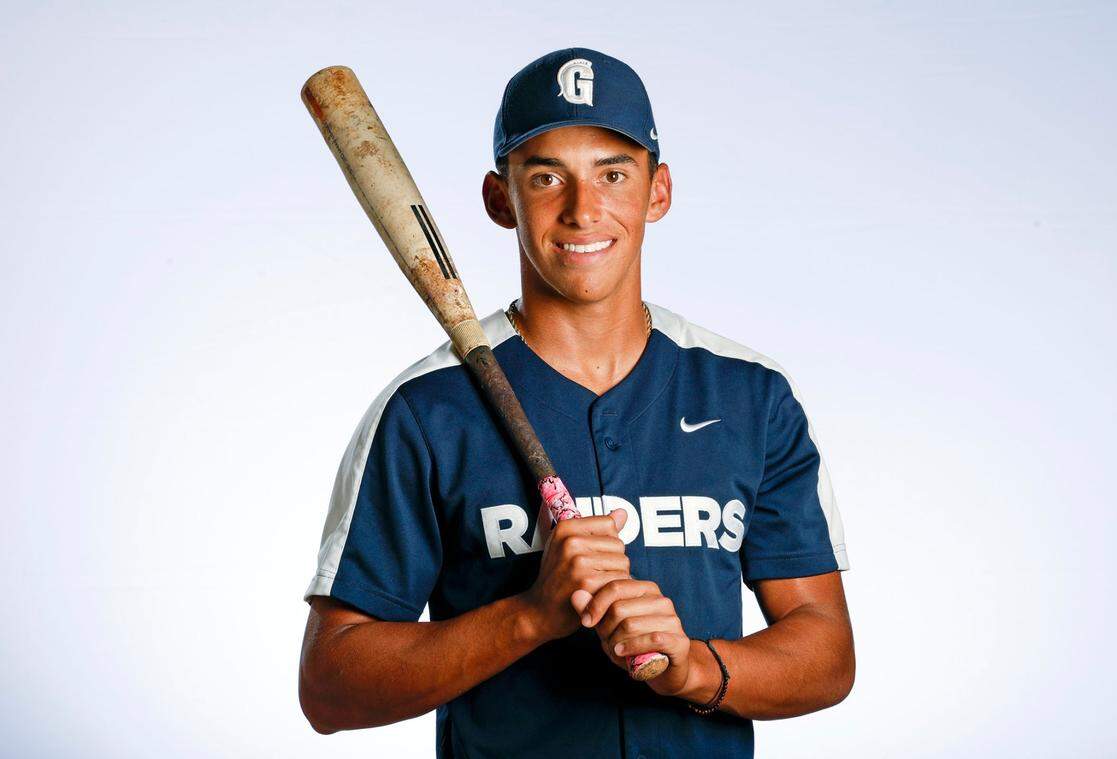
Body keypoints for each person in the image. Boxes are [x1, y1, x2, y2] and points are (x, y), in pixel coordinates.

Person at [299, 47, 854, 758]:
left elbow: (827, 651)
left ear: (658, 191)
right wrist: (529, 615)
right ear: (502, 199)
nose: (583, 208)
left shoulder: (749, 395)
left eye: (613, 173)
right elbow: (330, 685)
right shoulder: (426, 410)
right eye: (545, 175)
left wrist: (695, 666)